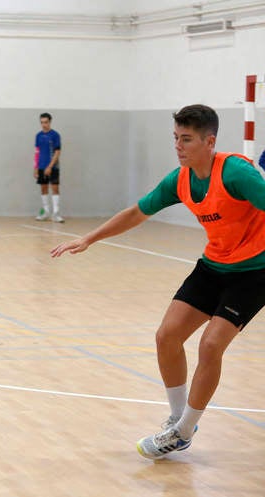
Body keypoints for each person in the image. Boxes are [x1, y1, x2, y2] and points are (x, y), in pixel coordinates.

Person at [51, 104, 265, 460]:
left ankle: (182, 433)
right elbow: (137, 212)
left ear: (209, 141)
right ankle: (178, 418)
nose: (179, 146)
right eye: (176, 139)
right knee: (167, 336)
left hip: (254, 271)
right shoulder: (180, 180)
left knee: (211, 346)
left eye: (187, 139)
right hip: (214, 265)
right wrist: (91, 237)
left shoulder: (237, 174)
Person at [34, 112, 64, 223]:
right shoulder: (38, 136)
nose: (44, 124)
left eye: (46, 122)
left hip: (53, 167)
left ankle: (56, 213)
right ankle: (46, 212)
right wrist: (36, 167)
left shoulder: (55, 135)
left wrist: (50, 166)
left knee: (55, 188)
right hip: (41, 166)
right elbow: (37, 152)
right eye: (42, 122)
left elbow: (57, 152)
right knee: (43, 188)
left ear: (50, 122)